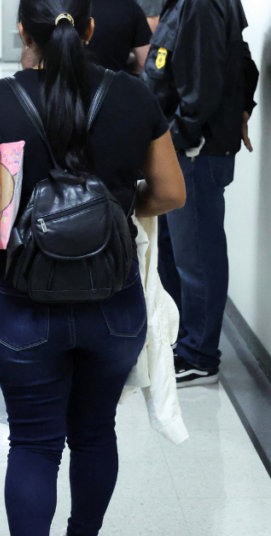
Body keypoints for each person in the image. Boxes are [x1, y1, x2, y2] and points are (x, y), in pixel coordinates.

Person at [0, 0, 187, 536]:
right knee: (94, 430)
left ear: (20, 32)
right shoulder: (133, 95)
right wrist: (122, 211)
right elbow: (172, 192)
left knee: (33, 443)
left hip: (25, 304)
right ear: (89, 29)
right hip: (114, 303)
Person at [143, 0, 259, 387]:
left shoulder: (200, 4)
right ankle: (184, 342)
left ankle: (200, 356)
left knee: (198, 258)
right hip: (188, 149)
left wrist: (176, 140)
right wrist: (243, 108)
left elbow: (202, 88)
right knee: (177, 252)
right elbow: (244, 62)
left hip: (194, 151)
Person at [87, 0, 152, 74]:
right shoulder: (130, 7)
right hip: (114, 80)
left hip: (76, 80)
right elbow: (144, 62)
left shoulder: (74, 6)